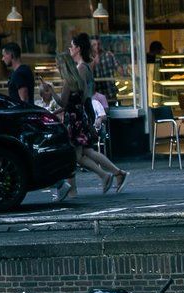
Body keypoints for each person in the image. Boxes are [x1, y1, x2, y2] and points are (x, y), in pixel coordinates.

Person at [51, 36, 129, 201]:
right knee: (85, 152)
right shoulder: (82, 67)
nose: (70, 49)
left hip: (78, 117)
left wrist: (89, 119)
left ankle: (83, 186)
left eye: (71, 46)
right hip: (80, 115)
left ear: (78, 48)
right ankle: (115, 173)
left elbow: (80, 97)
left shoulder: (81, 69)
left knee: (77, 154)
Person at [90, 36, 119, 101]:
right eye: (94, 45)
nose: (97, 47)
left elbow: (120, 71)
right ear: (90, 46)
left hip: (110, 93)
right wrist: (93, 63)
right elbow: (87, 76)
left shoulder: (108, 55)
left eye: (98, 44)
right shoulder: (88, 59)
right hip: (96, 95)